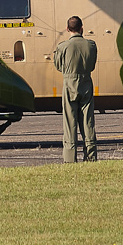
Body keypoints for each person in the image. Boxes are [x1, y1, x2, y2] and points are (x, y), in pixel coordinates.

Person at [53, 15, 97, 163]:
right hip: (86, 82)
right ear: (81, 28)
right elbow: (92, 66)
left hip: (69, 84)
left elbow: (58, 66)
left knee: (69, 122)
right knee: (88, 122)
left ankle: (70, 158)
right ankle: (90, 156)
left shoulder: (62, 46)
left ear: (67, 29)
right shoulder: (91, 45)